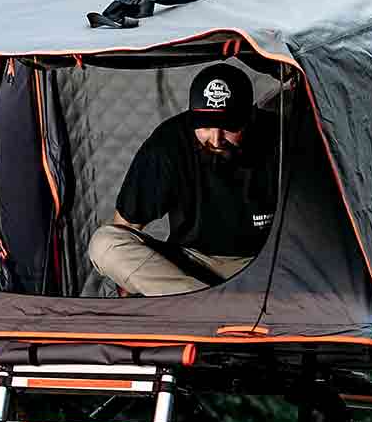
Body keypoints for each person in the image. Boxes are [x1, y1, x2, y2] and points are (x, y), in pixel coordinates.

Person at [86, 62, 281, 296]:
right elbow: (125, 226)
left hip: (265, 264)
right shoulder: (167, 144)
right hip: (189, 266)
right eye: (205, 126)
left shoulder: (282, 140)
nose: (216, 139)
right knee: (104, 243)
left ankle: (204, 307)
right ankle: (217, 307)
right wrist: (130, 279)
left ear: (250, 117)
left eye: (228, 126)